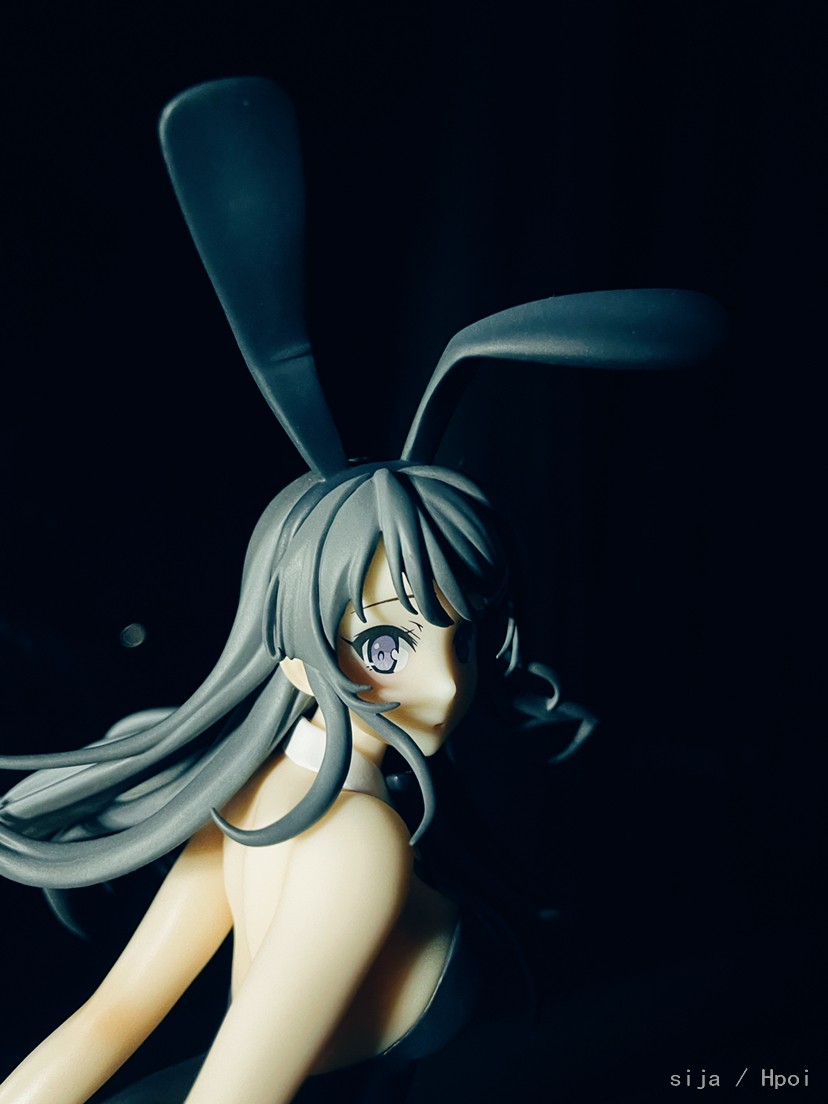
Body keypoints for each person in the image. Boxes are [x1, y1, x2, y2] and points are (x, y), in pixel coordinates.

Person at [0, 78, 724, 1104]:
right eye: (385, 646)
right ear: (293, 646)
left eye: (468, 640)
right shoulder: (352, 842)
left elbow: (136, 1032)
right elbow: (150, 1036)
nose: (446, 686)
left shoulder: (255, 799)